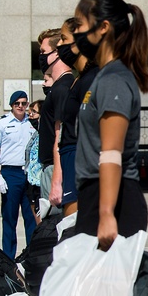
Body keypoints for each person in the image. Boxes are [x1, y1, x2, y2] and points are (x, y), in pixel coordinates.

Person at [64, 0, 148, 296]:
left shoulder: (115, 80)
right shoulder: (103, 77)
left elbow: (112, 153)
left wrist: (105, 215)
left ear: (102, 29)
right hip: (103, 198)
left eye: (79, 26)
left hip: (115, 202)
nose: (74, 34)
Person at [55, 17, 99, 218]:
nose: (59, 45)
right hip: (69, 155)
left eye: (63, 39)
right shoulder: (80, 79)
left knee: (73, 224)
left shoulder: (93, 79)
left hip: (79, 157)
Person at [0, 90, 37, 259]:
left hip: (29, 173)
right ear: (11, 106)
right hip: (10, 173)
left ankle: (31, 256)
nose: (21, 107)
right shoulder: (1, 124)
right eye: (17, 104)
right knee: (10, 217)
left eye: (24, 103)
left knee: (31, 217)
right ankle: (8, 257)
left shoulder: (33, 122)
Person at [38, 27, 75, 217]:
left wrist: (56, 180)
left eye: (44, 52)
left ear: (57, 53)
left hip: (55, 167)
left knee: (52, 229)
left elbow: (59, 135)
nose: (41, 57)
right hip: (50, 167)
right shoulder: (57, 87)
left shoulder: (62, 87)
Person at [23, 100, 43, 220]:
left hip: (41, 180)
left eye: (34, 112)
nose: (30, 115)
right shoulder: (35, 134)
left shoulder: (47, 133)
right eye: (29, 112)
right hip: (31, 179)